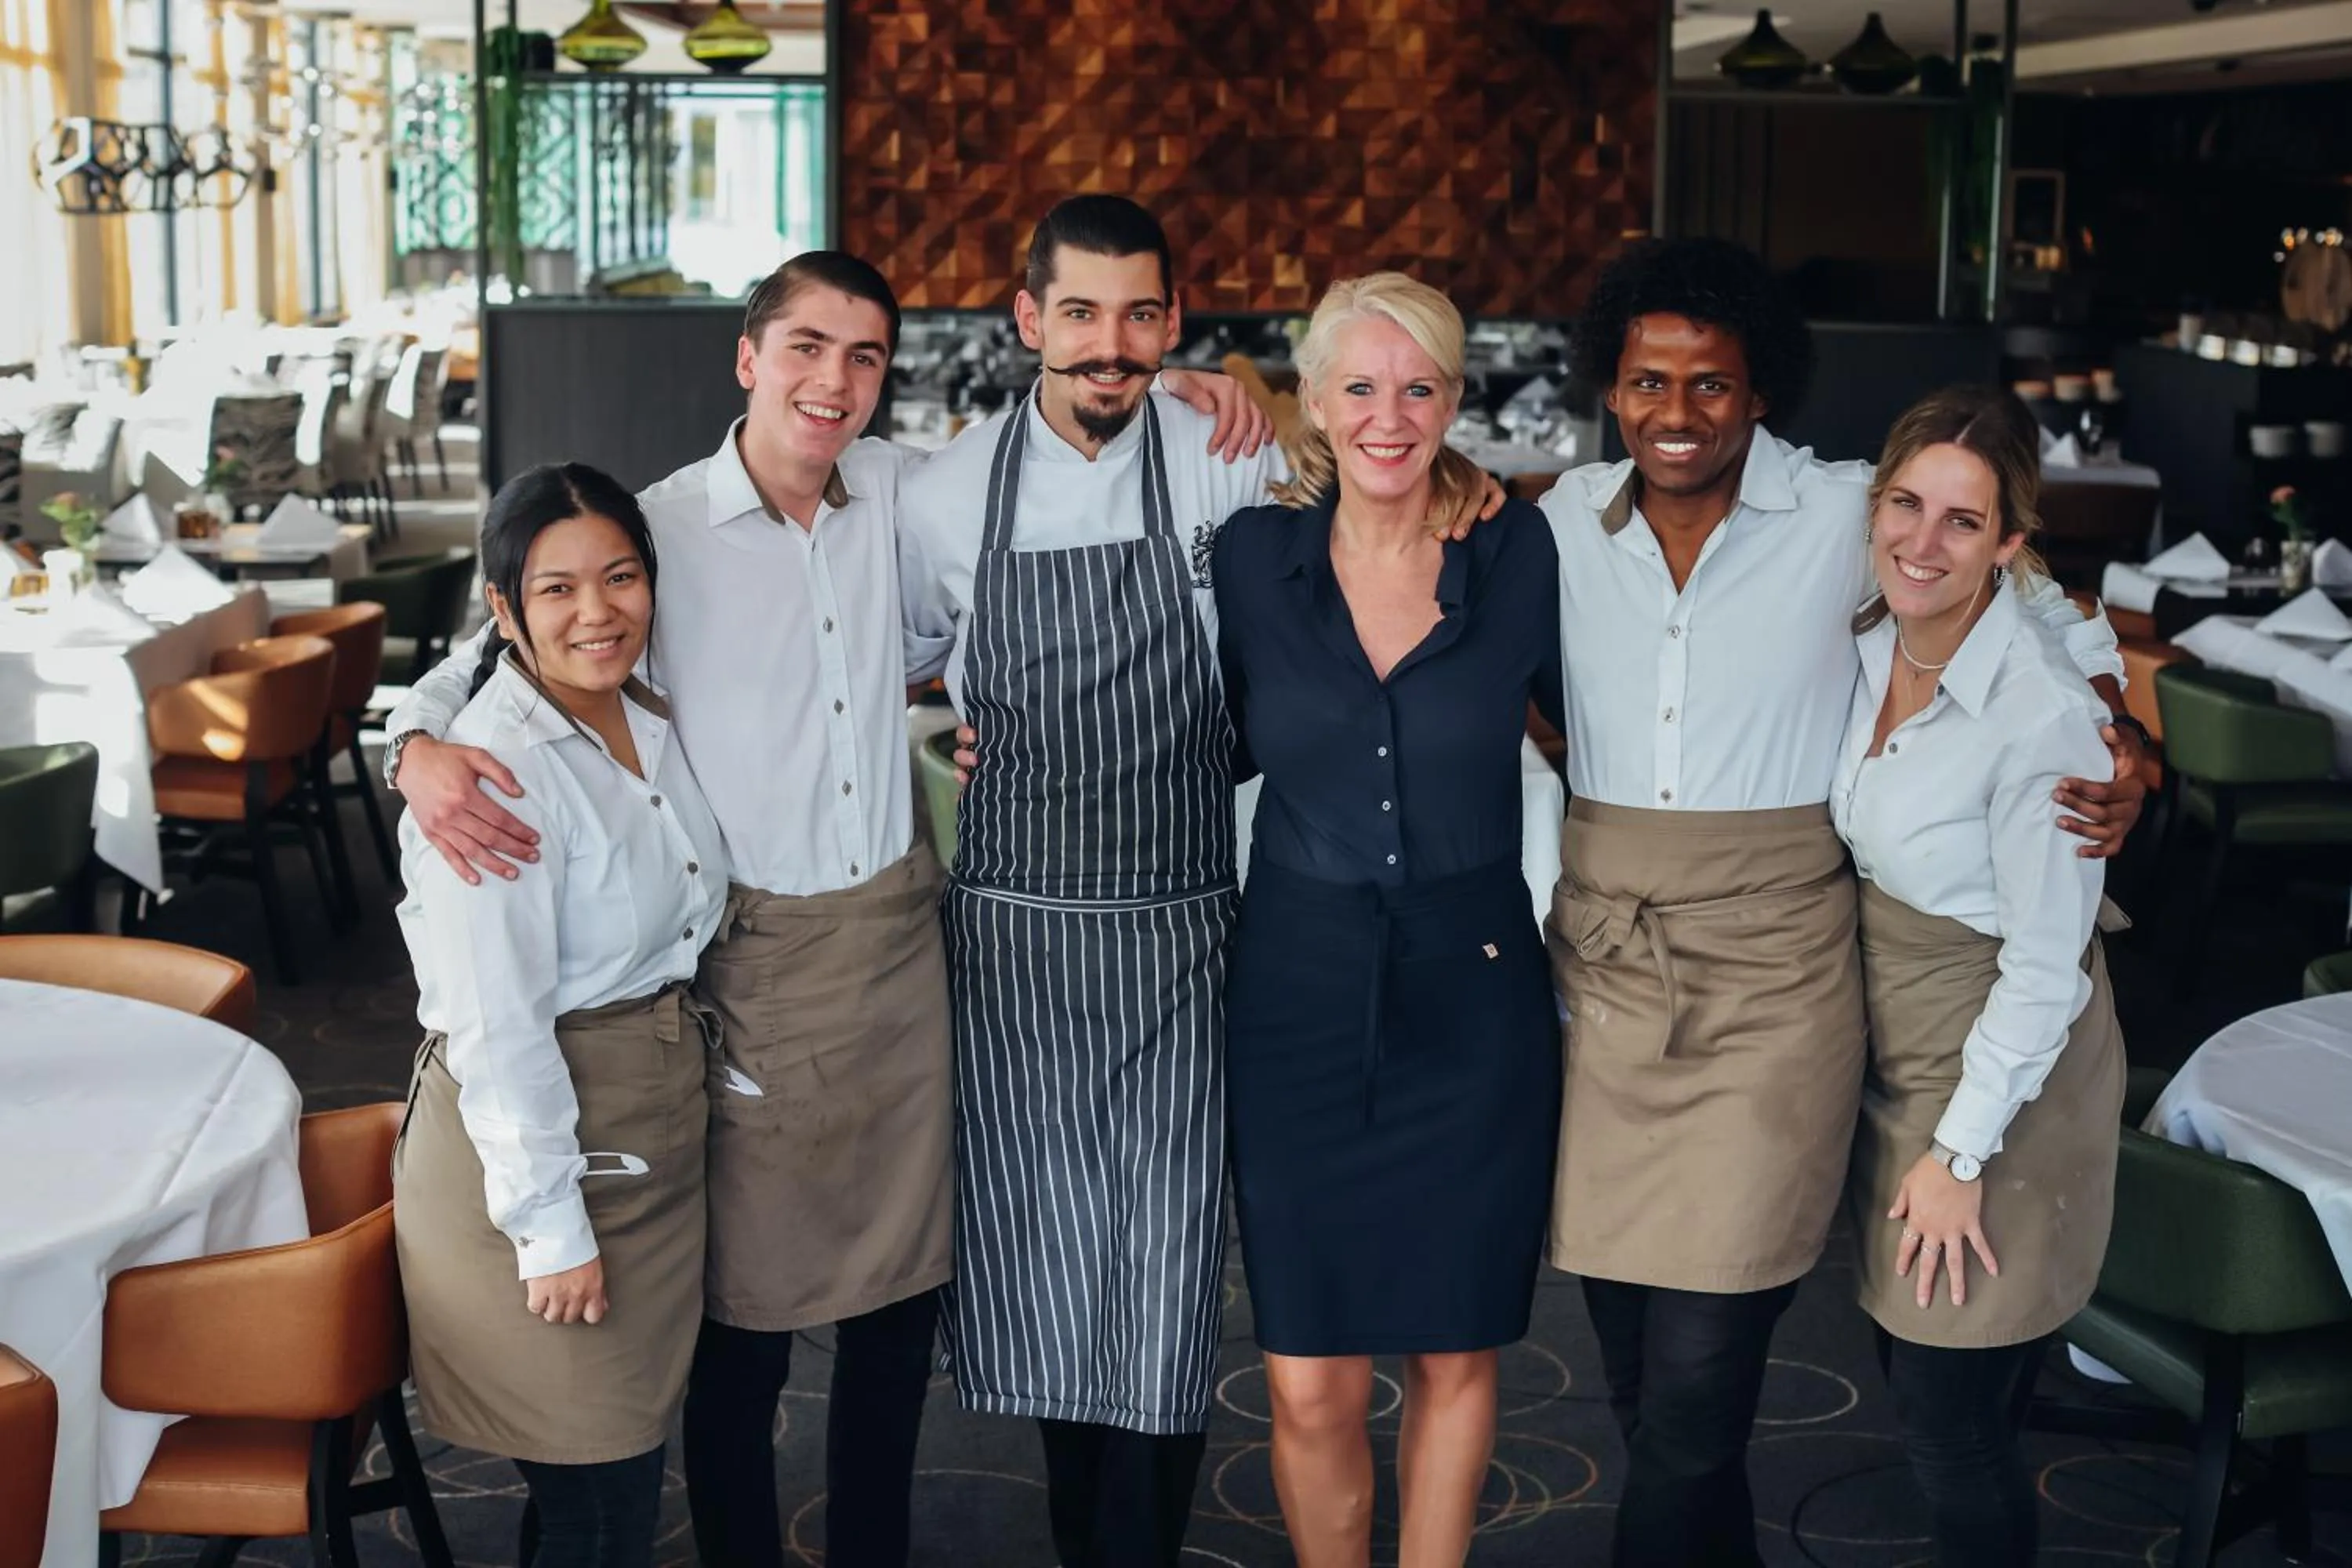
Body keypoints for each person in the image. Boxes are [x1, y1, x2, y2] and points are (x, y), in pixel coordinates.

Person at [383, 252, 1271, 1568]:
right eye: (806, 347)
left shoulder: (908, 493)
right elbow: (504, 640)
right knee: (742, 1327)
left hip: (905, 949)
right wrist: (411, 746)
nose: (834, 381)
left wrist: (1174, 379)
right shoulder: (658, 533)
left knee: (899, 1315)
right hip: (749, 966)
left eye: (864, 357)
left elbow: (1055, 444)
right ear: (749, 358)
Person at [1535, 237, 2148, 1568]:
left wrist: (2123, 736)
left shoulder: (1845, 510)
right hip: (1609, 976)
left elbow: (2043, 608)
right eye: (1648, 381)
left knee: (1696, 1393)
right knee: (1635, 1380)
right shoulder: (1560, 521)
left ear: (1761, 391)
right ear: (1610, 388)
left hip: (1776, 979)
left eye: (1712, 382)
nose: (1677, 412)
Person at [904, 198, 1496, 1565]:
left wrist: (1269, 398)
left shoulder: (1234, 458)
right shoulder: (942, 491)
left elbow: (1386, 464)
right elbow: (862, 656)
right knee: (1048, 1270)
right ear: (1028, 320)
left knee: (1166, 1282)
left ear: (1174, 320)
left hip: (1182, 932)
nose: (1109, 345)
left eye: (1139, 316)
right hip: (1016, 949)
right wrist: (936, 737)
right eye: (1079, 313)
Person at [1212, 272, 1563, 1567]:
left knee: (1454, 1353)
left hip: (1475, 995)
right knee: (1310, 1379)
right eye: (1359, 386)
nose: (1389, 415)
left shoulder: (1518, 553)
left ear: (1454, 400)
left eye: (1419, 388)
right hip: (1296, 990)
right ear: (1312, 400)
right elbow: (1197, 735)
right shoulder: (1251, 558)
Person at [390, 463, 726, 1568]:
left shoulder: (640, 701)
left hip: (639, 1133)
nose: (598, 612)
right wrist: (550, 1232)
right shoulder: (496, 773)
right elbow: (499, 1028)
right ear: (505, 608)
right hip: (535, 1158)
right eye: (556, 589)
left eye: (621, 577)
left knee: (606, 1473)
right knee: (599, 1502)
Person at [1834, 386, 2125, 1567]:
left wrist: (1960, 1157)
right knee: (1922, 1368)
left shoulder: (2039, 718)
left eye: (1963, 521)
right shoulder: (1866, 639)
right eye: (1906, 504)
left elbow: (2048, 972)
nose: (1923, 541)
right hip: (1900, 1048)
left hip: (2008, 1071)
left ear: (2009, 542)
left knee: (1951, 1415)